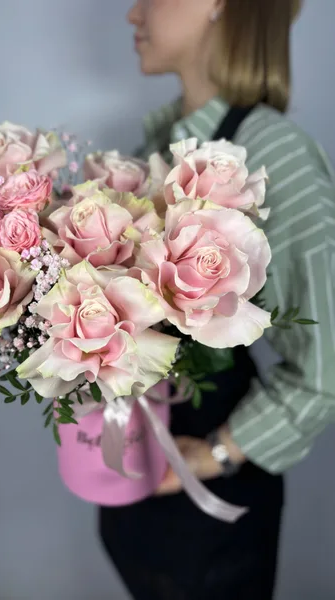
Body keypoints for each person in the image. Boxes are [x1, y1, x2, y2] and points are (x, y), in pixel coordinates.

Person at [99, 1, 335, 598]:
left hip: (209, 522)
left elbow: (327, 362)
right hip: (138, 497)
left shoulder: (275, 154)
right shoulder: (156, 145)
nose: (133, 13)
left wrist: (216, 455)